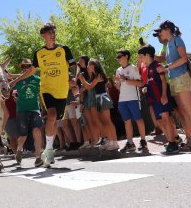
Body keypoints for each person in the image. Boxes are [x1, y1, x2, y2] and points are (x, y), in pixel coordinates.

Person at [10, 23, 76, 167]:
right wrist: (15, 81)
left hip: (62, 90)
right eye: (49, 33)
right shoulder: (39, 53)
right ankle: (50, 150)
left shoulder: (64, 49)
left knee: (56, 119)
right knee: (51, 116)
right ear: (43, 36)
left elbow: (73, 65)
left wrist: (75, 78)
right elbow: (31, 71)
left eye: (54, 32)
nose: (52, 35)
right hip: (46, 89)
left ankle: (48, 148)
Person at [157, 20, 191, 150]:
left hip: (181, 77)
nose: (159, 34)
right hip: (174, 80)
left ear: (167, 29)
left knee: (189, 109)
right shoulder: (168, 44)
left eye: (161, 30)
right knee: (185, 112)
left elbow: (184, 58)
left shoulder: (177, 40)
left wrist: (166, 67)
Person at [138, 45, 180, 154]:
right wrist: (146, 88)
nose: (140, 59)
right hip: (154, 100)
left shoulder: (157, 65)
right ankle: (172, 141)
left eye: (141, 56)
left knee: (166, 119)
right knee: (160, 122)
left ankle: (173, 143)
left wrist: (164, 95)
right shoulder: (147, 68)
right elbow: (151, 81)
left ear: (147, 55)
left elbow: (162, 81)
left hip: (161, 98)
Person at [78, 59, 119, 151]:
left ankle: (114, 142)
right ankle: (109, 141)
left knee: (107, 121)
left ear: (94, 66)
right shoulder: (93, 76)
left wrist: (82, 79)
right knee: (103, 122)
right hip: (97, 100)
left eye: (89, 65)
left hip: (102, 99)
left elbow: (89, 87)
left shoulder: (99, 75)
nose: (88, 67)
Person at [12, 58, 44, 167]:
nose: (26, 68)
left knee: (37, 131)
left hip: (35, 109)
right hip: (21, 110)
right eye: (23, 67)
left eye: (28, 66)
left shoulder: (37, 79)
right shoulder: (18, 80)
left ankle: (38, 157)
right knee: (23, 136)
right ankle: (19, 149)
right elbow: (7, 88)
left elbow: (44, 90)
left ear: (32, 67)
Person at [114, 50, 148, 152]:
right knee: (126, 121)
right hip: (122, 100)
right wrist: (117, 83)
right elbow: (118, 88)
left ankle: (143, 142)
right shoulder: (118, 70)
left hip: (133, 98)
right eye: (118, 57)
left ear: (126, 56)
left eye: (120, 56)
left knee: (138, 119)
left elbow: (140, 83)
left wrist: (126, 79)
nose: (118, 59)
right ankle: (130, 143)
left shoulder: (133, 68)